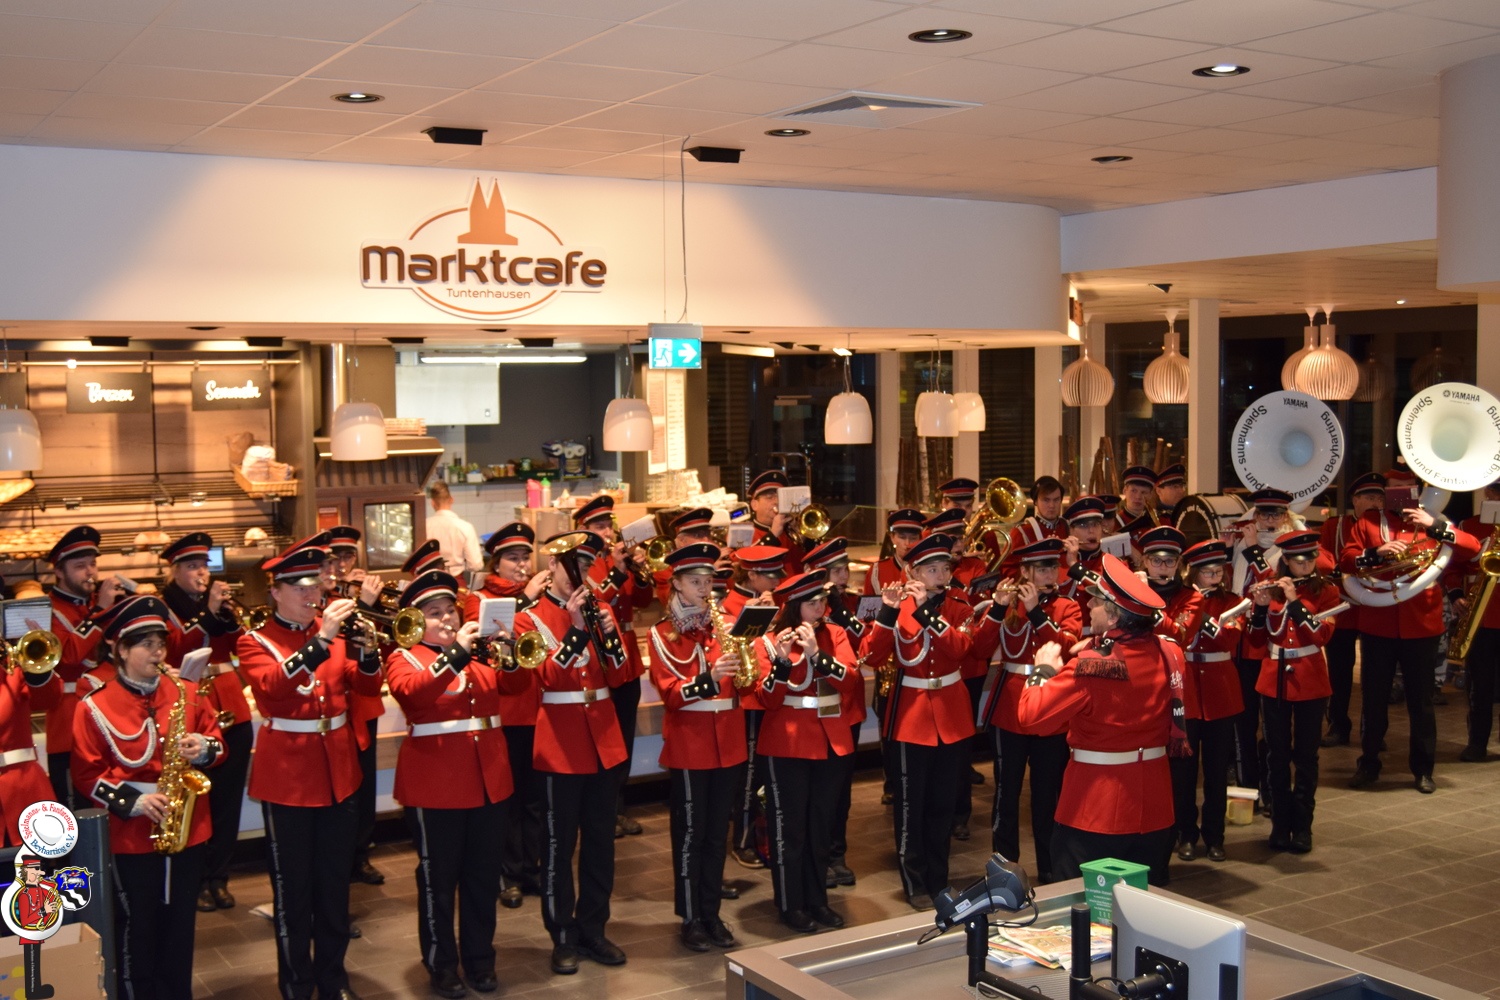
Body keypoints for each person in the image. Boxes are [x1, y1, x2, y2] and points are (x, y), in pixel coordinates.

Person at [237, 539, 383, 1000]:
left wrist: (368, 653)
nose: (310, 595)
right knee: (293, 892)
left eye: (314, 586)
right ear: (275, 591)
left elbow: (364, 688)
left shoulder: (334, 632)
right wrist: (322, 641)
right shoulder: (255, 640)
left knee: (335, 886)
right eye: (299, 587)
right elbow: (272, 687)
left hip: (338, 770)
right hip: (288, 779)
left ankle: (333, 978)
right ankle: (297, 984)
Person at [72, 594, 226, 1000]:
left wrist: (204, 748)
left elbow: (218, 743)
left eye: (160, 644)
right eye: (146, 645)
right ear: (120, 650)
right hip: (132, 834)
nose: (157, 652)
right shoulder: (93, 705)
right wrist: (134, 802)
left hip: (187, 828)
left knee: (180, 926)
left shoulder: (187, 691)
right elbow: (86, 774)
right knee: (137, 926)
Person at [386, 570, 519, 999]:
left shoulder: (480, 655)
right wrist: (458, 652)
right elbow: (416, 695)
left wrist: (510, 651)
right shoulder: (404, 658)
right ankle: (441, 964)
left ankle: (481, 959)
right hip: (435, 784)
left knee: (483, 877)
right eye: (434, 613)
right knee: (438, 882)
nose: (446, 619)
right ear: (416, 621)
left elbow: (518, 687)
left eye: (450, 610)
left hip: (489, 779)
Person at [1019, 554, 1187, 886]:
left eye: (1095, 602)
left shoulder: (1093, 666)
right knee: (1142, 904)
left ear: (1112, 616)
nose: (1089, 606)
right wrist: (1098, 644)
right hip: (1155, 806)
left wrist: (1043, 670)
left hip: (1096, 809)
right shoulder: (1171, 652)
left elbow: (1032, 717)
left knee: (1082, 906)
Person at [513, 532, 631, 976]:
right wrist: (578, 631)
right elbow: (548, 676)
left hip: (602, 738)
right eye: (570, 567)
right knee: (558, 846)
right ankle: (562, 934)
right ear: (551, 567)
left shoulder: (601, 610)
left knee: (601, 842)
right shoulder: (528, 618)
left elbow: (619, 675)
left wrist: (608, 636)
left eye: (584, 567)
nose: (579, 575)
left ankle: (594, 929)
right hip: (559, 743)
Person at [860, 534, 975, 910]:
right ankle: (914, 881)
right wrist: (888, 612)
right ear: (913, 573)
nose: (940, 576)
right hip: (911, 715)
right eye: (931, 570)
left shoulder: (958, 605)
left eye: (944, 569)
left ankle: (939, 879)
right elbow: (871, 657)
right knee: (911, 805)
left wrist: (928, 612)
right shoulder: (898, 607)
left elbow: (961, 649)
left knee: (943, 804)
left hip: (951, 715)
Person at [1342, 494, 1479, 793]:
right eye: (1394, 488)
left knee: (1422, 703)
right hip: (1379, 623)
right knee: (1373, 700)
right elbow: (1346, 559)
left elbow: (1472, 549)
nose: (1401, 493)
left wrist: (1434, 525)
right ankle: (1368, 764)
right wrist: (1375, 552)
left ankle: (1423, 769)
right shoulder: (1369, 521)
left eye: (1407, 487)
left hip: (1421, 624)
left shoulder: (1433, 521)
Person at [647, 543, 744, 952]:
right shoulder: (661, 633)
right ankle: (690, 917)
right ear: (677, 585)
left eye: (708, 581)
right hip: (691, 742)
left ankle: (711, 913)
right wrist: (710, 677)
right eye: (695, 582)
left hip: (728, 741)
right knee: (691, 835)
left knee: (717, 834)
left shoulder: (727, 625)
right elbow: (671, 693)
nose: (705, 589)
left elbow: (746, 680)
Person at [968, 537, 1080, 884]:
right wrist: (997, 608)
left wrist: (1036, 612)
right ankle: (1004, 867)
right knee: (1006, 792)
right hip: (1011, 707)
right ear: (1026, 572)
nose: (1050, 574)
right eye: (1042, 569)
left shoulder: (1067, 606)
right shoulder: (1006, 604)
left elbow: (1066, 647)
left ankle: (1049, 865)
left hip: (1050, 706)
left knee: (1048, 793)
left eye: (1053, 567)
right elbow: (979, 649)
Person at [755, 569, 856, 932]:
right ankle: (790, 904)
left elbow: (850, 680)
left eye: (823, 601)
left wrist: (816, 654)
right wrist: (783, 660)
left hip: (830, 739)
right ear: (794, 607)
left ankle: (817, 900)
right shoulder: (768, 641)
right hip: (788, 741)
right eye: (812, 603)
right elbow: (767, 698)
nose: (820, 609)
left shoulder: (836, 634)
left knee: (820, 826)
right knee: (790, 829)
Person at [158, 531, 251, 912]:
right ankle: (194, 879)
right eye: (192, 566)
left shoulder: (217, 604)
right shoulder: (163, 606)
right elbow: (176, 648)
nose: (201, 573)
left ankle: (219, 877)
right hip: (191, 704)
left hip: (230, 702)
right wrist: (209, 614)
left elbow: (239, 645)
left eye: (204, 566)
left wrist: (227, 617)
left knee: (228, 800)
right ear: (175, 570)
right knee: (194, 800)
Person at [463, 521, 548, 908]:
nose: (521, 565)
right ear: (495, 563)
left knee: (534, 799)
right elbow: (484, 644)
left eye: (525, 557)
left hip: (537, 709)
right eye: (513, 558)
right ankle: (508, 873)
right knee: (507, 800)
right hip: (503, 711)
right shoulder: (478, 599)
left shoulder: (539, 596)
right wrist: (527, 600)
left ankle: (532, 868)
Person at [1248, 529, 1341, 853]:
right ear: (1286, 561)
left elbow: (1320, 636)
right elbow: (1256, 640)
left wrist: (1294, 601)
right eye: (1299, 561)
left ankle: (1303, 827)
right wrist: (1260, 607)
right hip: (1273, 678)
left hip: (1311, 679)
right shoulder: (1270, 588)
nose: (1306, 566)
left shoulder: (1327, 591)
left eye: (1310, 560)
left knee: (1306, 756)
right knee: (1276, 755)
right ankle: (1279, 823)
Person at [575, 496, 654, 839]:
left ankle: (618, 809)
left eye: (609, 525)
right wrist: (619, 571)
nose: (607, 532)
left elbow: (644, 600)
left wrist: (639, 571)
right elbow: (596, 602)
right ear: (583, 529)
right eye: (599, 526)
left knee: (624, 739)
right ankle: (600, 811)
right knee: (603, 740)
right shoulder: (583, 564)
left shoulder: (617, 558)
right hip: (600, 659)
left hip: (626, 657)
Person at [323, 525, 389, 889]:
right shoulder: (319, 597)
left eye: (348, 557)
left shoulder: (359, 592)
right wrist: (361, 604)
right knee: (338, 784)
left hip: (362, 700)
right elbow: (335, 642)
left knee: (364, 782)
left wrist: (370, 606)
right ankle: (338, 858)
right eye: (334, 559)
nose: (342, 565)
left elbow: (379, 645)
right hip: (333, 698)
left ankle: (361, 854)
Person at [802, 537, 867, 889]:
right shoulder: (802, 609)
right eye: (835, 571)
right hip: (810, 714)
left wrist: (840, 606)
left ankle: (836, 854)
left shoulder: (850, 605)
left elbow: (864, 643)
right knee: (815, 792)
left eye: (844, 569)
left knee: (840, 791)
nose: (843, 576)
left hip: (845, 709)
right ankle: (815, 857)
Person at [45, 525, 124, 809]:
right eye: (80, 566)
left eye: (92, 564)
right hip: (68, 724)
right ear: (59, 571)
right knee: (74, 814)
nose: (90, 572)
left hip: (112, 718)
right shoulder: (46, 609)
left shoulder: (100, 604)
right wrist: (99, 612)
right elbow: (67, 656)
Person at [1178, 540, 1246, 863]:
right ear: (1194, 573)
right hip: (1189, 688)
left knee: (1217, 771)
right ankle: (1186, 835)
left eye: (1218, 571)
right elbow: (1177, 636)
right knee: (1185, 771)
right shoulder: (1180, 600)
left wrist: (1202, 616)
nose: (1215, 577)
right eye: (1208, 572)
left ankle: (1215, 836)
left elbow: (1229, 638)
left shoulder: (1233, 601)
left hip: (1220, 690)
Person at [723, 544, 787, 870]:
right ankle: (744, 840)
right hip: (749, 698)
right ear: (751, 575)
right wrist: (752, 618)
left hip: (772, 694)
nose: (776, 581)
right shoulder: (730, 605)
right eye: (770, 575)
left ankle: (767, 836)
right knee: (749, 775)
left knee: (768, 772)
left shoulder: (775, 600)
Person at [1319, 474, 1384, 747]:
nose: (1375, 502)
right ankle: (1338, 726)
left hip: (1376, 609)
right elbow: (1322, 556)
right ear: (1355, 500)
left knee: (1375, 676)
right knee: (1339, 674)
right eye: (1368, 497)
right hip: (1343, 608)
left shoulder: (1387, 526)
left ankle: (1373, 732)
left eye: (1379, 498)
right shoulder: (1335, 525)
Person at [0, 628, 60, 846]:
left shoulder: (13, 669)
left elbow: (49, 699)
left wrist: (36, 670)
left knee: (30, 865)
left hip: (23, 789)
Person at [1455, 479, 1500, 761]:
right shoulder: (1470, 526)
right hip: (1480, 617)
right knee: (1479, 686)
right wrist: (1455, 595)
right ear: (1488, 492)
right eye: (1497, 491)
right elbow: (1453, 567)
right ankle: (1477, 742)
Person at [997, 476, 1069, 580]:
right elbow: (1006, 570)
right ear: (1035, 501)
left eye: (1056, 500)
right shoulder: (1022, 532)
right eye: (1046, 500)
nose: (1052, 505)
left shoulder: (1068, 528)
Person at [747, 470, 805, 575]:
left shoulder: (789, 531)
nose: (777, 502)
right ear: (754, 505)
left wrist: (804, 535)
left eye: (780, 497)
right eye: (770, 497)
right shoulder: (744, 533)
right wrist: (773, 535)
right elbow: (747, 566)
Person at [425, 481, 483, 580]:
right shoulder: (465, 527)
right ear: (451, 500)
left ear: (432, 503)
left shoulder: (424, 526)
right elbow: (475, 565)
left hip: (430, 581)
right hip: (456, 582)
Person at [1057, 497, 1108, 609]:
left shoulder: (1113, 563)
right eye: (1084, 525)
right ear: (1071, 531)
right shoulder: (1056, 562)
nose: (1091, 531)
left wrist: (1074, 566)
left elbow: (1106, 591)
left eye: (1095, 524)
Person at [861, 509, 925, 595]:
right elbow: (867, 602)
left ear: (920, 539)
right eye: (902, 537)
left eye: (913, 538)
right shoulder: (878, 570)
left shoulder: (927, 570)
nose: (907, 543)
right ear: (892, 538)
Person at [1111, 466, 1159, 535]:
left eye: (1144, 492)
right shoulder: (1114, 524)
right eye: (1133, 491)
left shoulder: (1157, 522)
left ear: (1150, 495)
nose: (1138, 497)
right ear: (1125, 490)